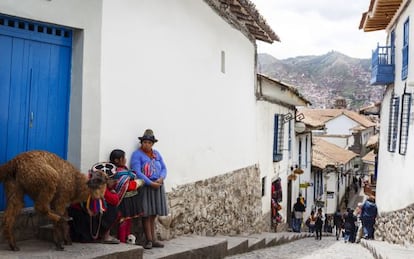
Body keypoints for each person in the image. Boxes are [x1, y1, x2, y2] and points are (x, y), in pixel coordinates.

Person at [131, 129, 168, 249]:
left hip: (157, 185)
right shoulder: (137, 155)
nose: (146, 144)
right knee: (146, 213)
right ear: (142, 143)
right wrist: (150, 182)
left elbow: (163, 168)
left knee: (153, 214)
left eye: (149, 142)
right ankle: (149, 240)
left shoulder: (156, 154)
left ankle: (154, 238)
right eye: (144, 142)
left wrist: (161, 178)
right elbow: (137, 171)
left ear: (152, 144)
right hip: (146, 186)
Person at [68, 170, 120, 244]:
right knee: (113, 210)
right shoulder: (98, 186)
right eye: (113, 180)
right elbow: (115, 200)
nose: (115, 182)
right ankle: (104, 236)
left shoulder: (87, 180)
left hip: (76, 211)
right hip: (81, 214)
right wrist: (111, 191)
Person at [109, 149, 145, 244]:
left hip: (129, 201)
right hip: (123, 202)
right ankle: (122, 241)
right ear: (117, 160)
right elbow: (126, 186)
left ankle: (126, 238)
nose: (125, 159)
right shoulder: (118, 173)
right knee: (123, 221)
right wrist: (137, 183)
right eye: (123, 158)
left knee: (128, 221)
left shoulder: (124, 170)